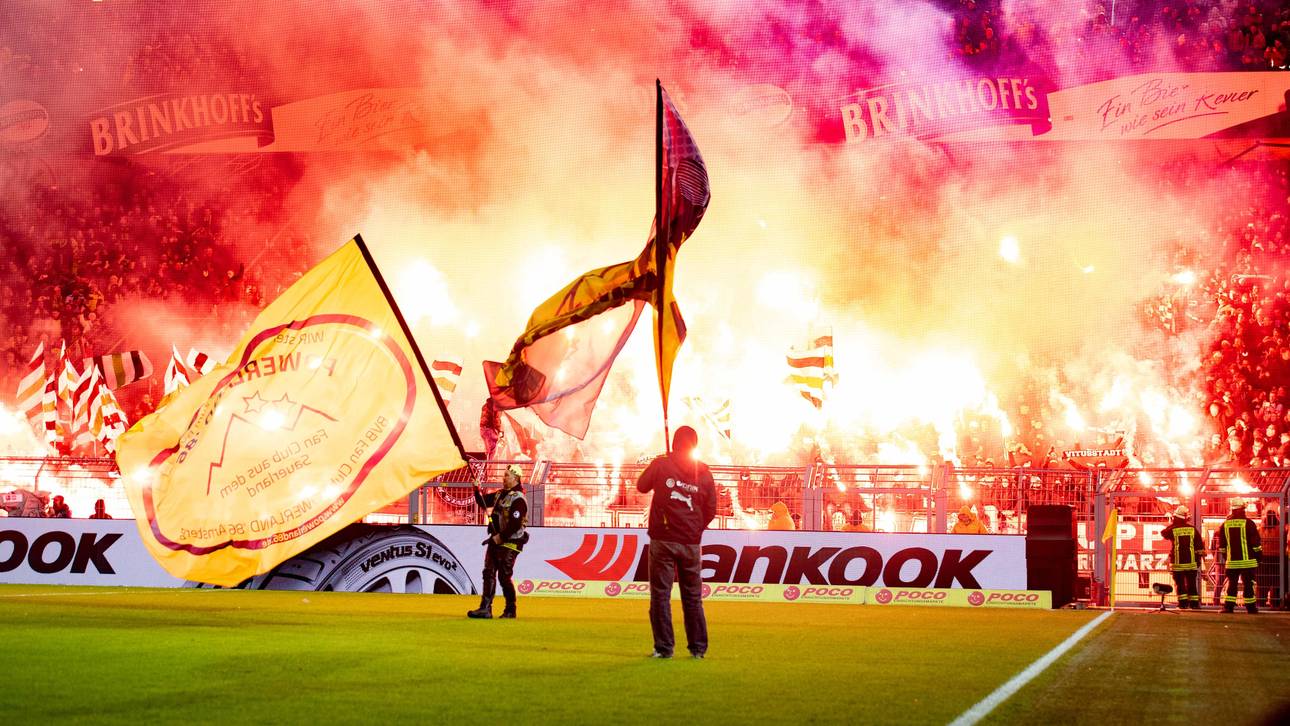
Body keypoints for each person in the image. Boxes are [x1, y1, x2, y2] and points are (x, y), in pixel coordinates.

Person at [636, 426, 716, 660]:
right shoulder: (704, 472)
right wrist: (695, 529)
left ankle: (664, 648)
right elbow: (711, 509)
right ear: (695, 444)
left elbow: (641, 486)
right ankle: (698, 649)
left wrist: (660, 462)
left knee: (660, 595)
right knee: (693, 597)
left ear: (674, 443)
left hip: (663, 539)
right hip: (690, 543)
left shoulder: (662, 464)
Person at [467, 464, 528, 620]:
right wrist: (476, 489)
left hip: (510, 543)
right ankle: (485, 609)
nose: (504, 477)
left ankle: (510, 609)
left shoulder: (519, 499)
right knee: (488, 573)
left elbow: (515, 524)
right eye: (504, 475)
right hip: (495, 541)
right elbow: (482, 502)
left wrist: (500, 537)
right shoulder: (500, 494)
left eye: (507, 475)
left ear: (515, 477)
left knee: (504, 576)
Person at [1219, 498, 1262, 614]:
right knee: (1248, 585)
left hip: (1232, 562)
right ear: (1242, 509)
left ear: (1232, 509)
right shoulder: (1249, 523)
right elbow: (1256, 544)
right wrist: (1259, 557)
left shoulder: (1225, 524)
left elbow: (1222, 546)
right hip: (1248, 562)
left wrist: (1226, 557)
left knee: (1232, 584)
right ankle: (1251, 608)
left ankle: (1228, 607)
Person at [1161, 505, 1205, 609]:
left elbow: (1164, 533)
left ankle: (1183, 604)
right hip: (1191, 562)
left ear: (1175, 517)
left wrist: (1173, 524)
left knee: (1180, 584)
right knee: (1192, 584)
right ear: (1186, 518)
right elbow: (1199, 547)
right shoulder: (1192, 529)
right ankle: (1194, 604)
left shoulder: (1173, 529)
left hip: (1178, 562)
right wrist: (1198, 561)